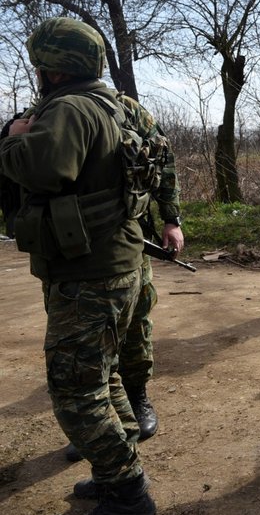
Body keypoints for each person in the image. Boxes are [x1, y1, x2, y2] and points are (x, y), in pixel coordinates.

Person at [0, 17, 155, 515]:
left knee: (74, 391)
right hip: (115, 260)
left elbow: (45, 169)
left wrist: (10, 138)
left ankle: (127, 493)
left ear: (52, 68)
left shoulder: (68, 108)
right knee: (102, 374)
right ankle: (116, 461)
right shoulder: (113, 105)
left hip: (88, 272)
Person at [63, 94, 184, 468]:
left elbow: (163, 161)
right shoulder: (49, 109)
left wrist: (171, 218)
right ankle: (99, 427)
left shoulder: (126, 109)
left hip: (129, 236)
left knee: (135, 321)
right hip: (69, 248)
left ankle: (137, 396)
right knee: (83, 337)